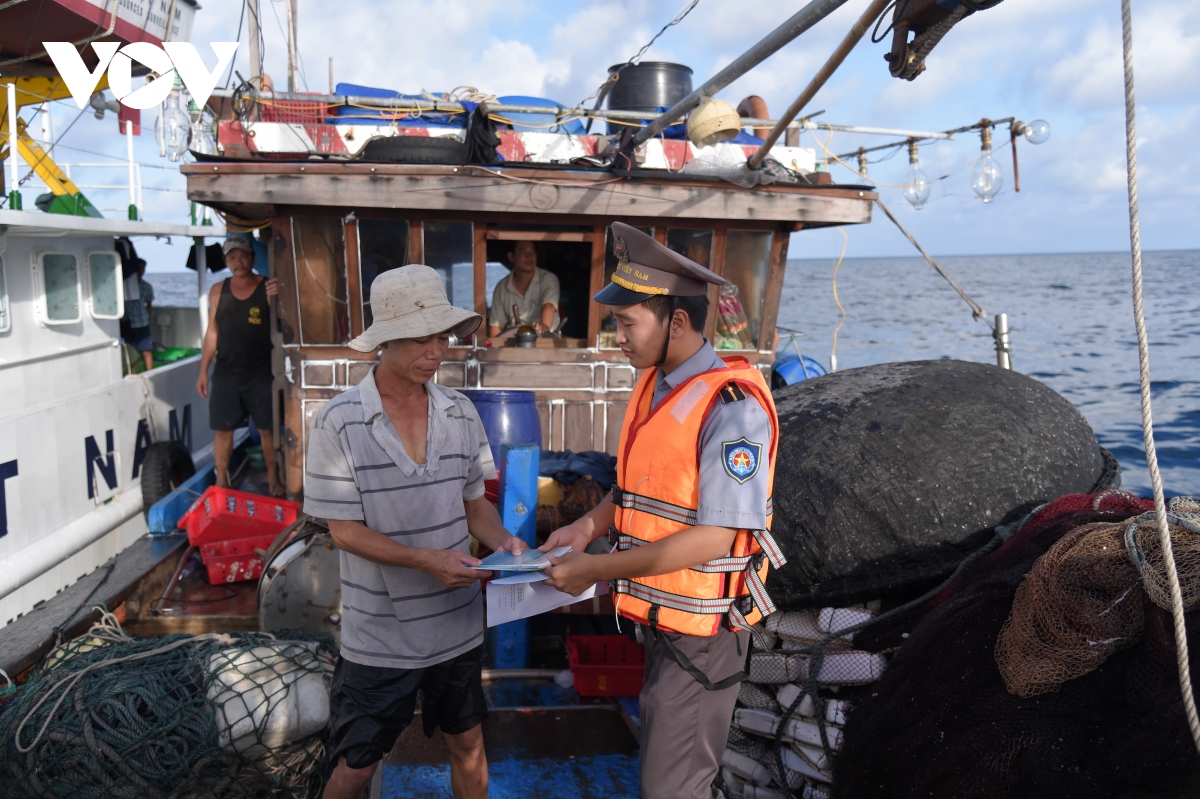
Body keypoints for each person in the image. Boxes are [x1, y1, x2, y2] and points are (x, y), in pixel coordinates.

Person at [539, 222, 784, 799]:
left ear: (676, 322)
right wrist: (585, 526)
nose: (616, 336)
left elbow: (716, 539)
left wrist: (595, 571)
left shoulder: (732, 408)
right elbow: (632, 491)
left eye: (627, 323)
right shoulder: (655, 384)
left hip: (703, 635)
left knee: (672, 790)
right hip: (663, 626)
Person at [304, 264, 526, 799]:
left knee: (469, 745)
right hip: (379, 638)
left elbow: (477, 510)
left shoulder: (463, 412)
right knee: (355, 768)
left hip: (457, 629)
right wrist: (429, 561)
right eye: (422, 338)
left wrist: (506, 544)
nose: (438, 349)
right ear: (385, 341)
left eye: (442, 336)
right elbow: (344, 532)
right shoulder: (338, 421)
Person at [196, 235, 282, 495]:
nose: (238, 261)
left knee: (268, 431)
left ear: (253, 258)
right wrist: (203, 371)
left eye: (243, 255)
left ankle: (273, 480)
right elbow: (212, 332)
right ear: (226, 261)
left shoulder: (268, 287)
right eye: (232, 257)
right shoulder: (217, 290)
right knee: (224, 432)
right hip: (225, 374)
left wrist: (279, 297)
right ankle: (222, 483)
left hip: (260, 373)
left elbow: (284, 321)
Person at [487, 239, 560, 335]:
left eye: (533, 252)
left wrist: (543, 327)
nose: (529, 256)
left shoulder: (548, 279)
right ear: (511, 257)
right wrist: (495, 346)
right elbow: (496, 326)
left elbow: (549, 306)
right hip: (514, 342)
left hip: (545, 339)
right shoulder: (501, 288)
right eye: (523, 252)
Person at [120, 257, 155, 371]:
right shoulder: (123, 284)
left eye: (143, 268)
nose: (141, 271)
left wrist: (147, 317)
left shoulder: (146, 286)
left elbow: (149, 305)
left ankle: (150, 374)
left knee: (146, 350)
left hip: (141, 321)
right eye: (139, 268)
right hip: (126, 321)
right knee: (127, 349)